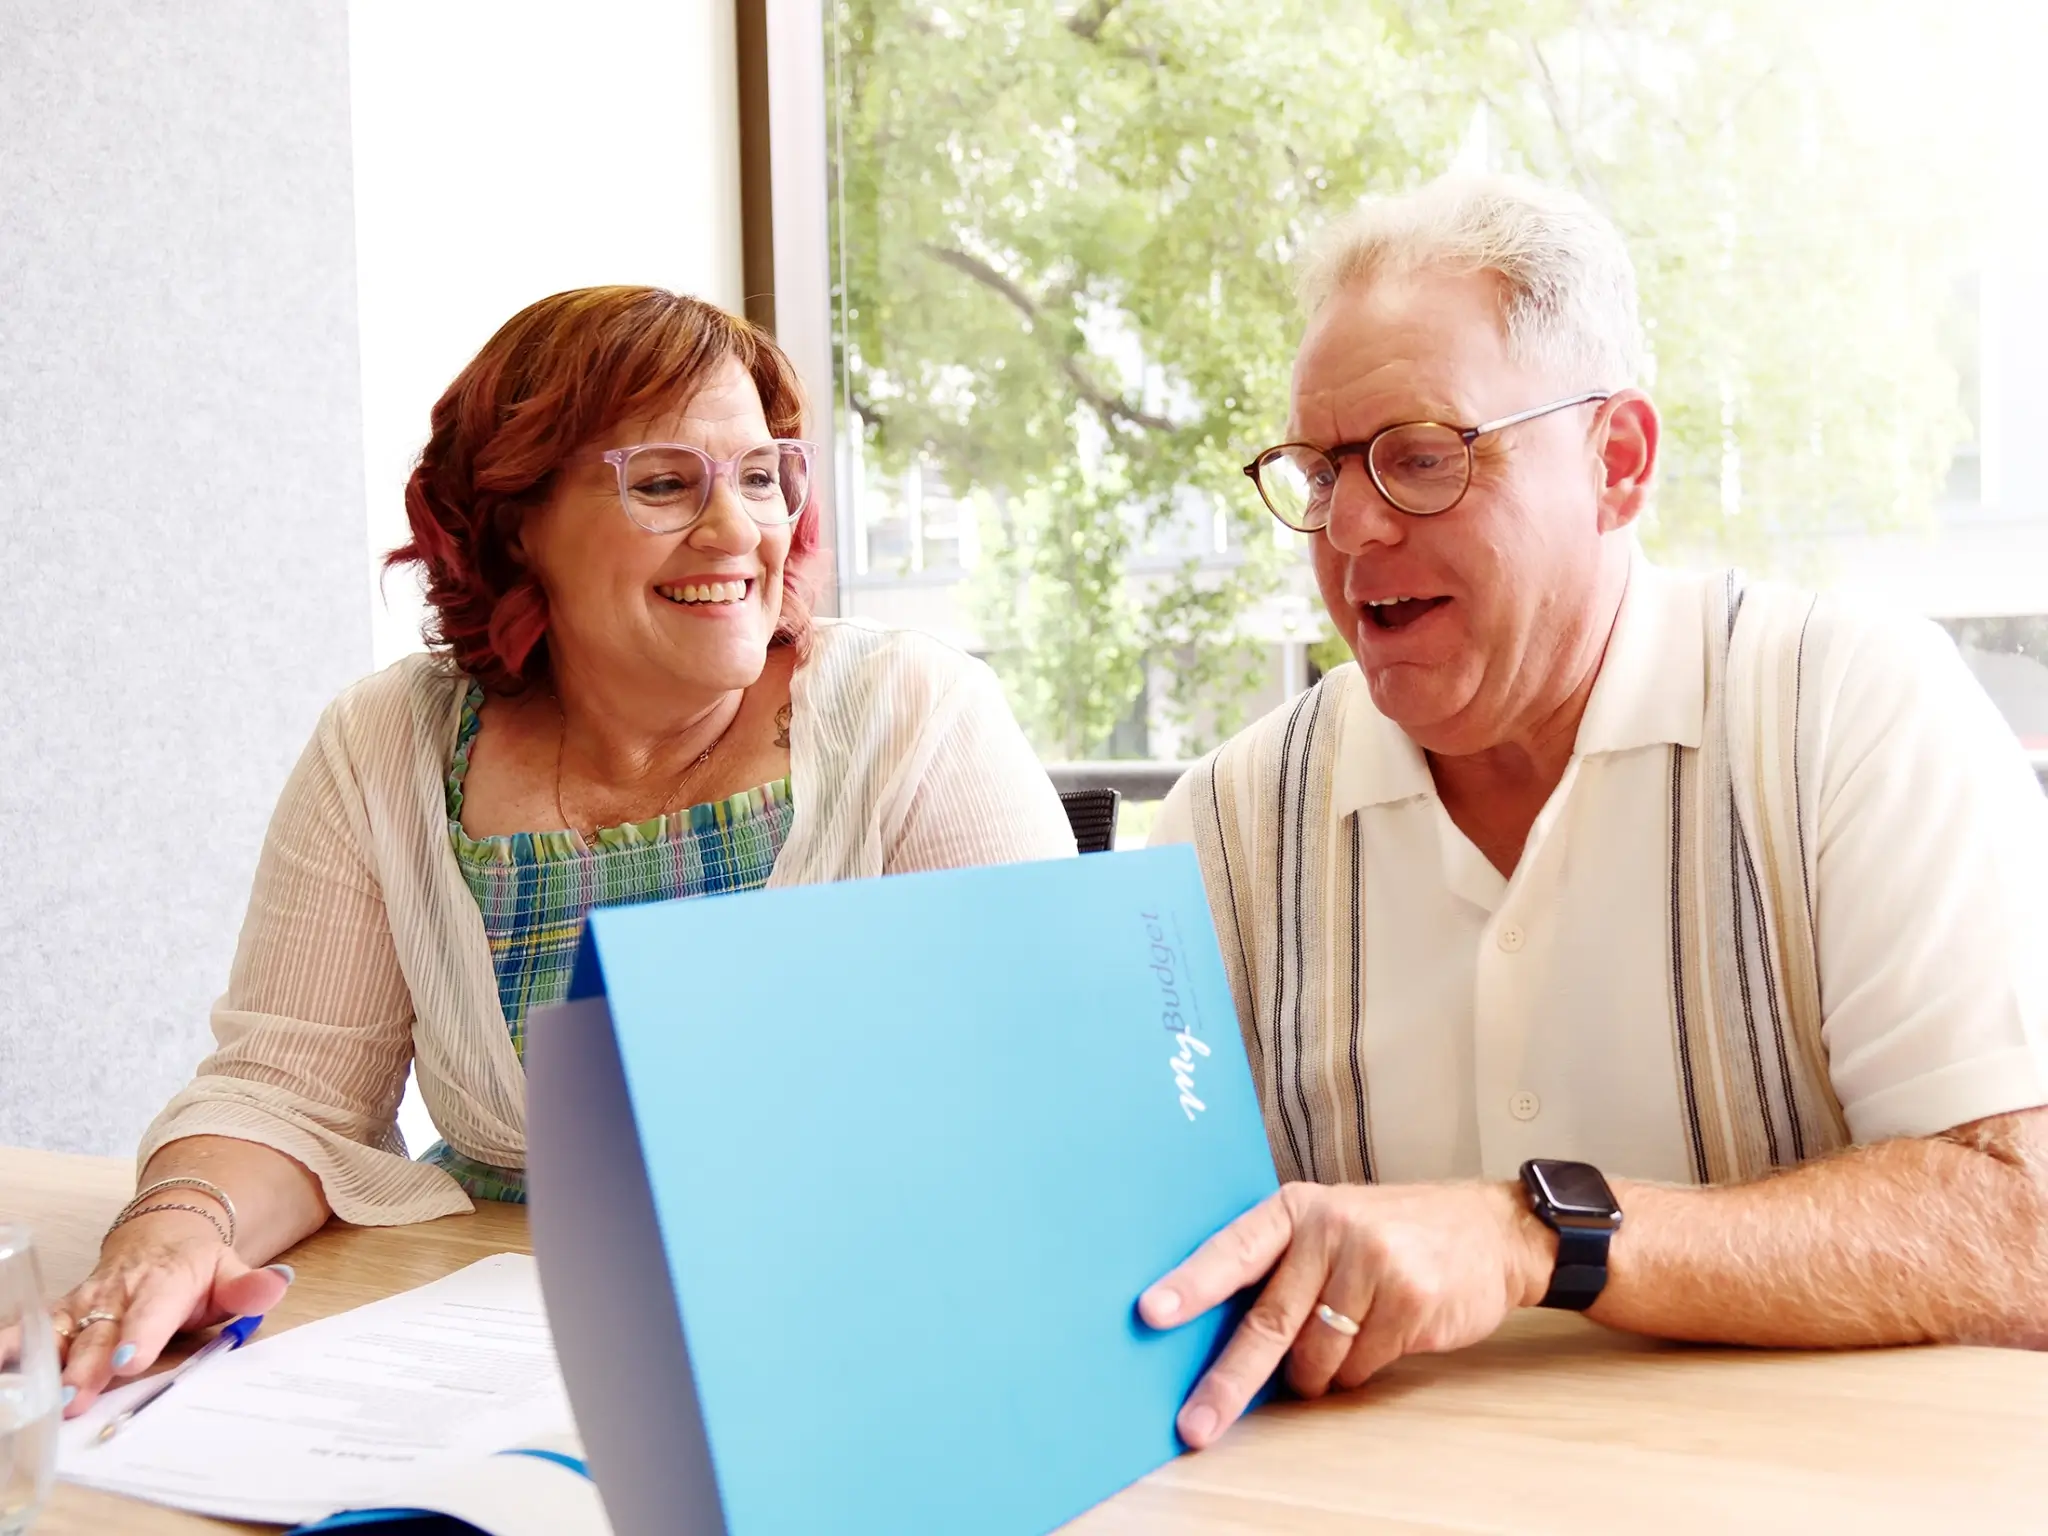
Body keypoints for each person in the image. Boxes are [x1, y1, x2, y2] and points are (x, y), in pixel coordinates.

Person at [1143, 174, 2048, 1450]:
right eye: (1317, 469)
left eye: (1418, 459)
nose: (1347, 529)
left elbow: (2022, 1230)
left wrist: (1539, 1235)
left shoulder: (1846, 712)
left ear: (1615, 463)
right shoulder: (1222, 827)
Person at [53, 286, 1076, 1414]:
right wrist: (174, 1228)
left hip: (848, 1352)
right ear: (515, 521)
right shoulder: (386, 743)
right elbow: (287, 1096)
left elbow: (1061, 1104)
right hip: (489, 1359)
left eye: (757, 474)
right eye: (663, 482)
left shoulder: (911, 712)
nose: (737, 530)